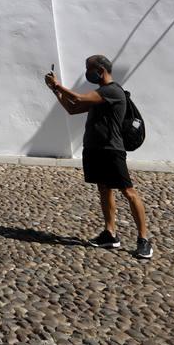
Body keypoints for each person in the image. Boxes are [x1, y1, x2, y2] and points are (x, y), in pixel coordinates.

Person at [46, 55, 152, 260]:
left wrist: (58, 85)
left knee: (128, 192)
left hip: (112, 149)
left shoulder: (111, 91)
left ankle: (144, 239)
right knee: (104, 189)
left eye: (89, 68)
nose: (87, 72)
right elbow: (72, 108)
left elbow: (77, 98)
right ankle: (110, 234)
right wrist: (55, 90)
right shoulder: (99, 95)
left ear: (101, 70)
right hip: (94, 148)